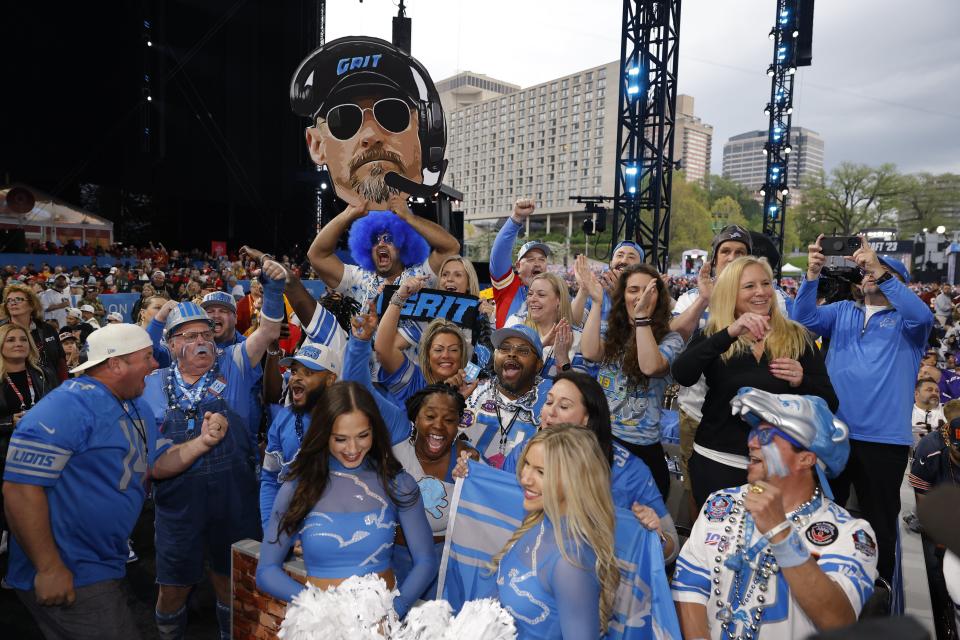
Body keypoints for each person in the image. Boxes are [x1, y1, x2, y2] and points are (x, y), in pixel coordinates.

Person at [2, 324, 225, 640]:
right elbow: (20, 488)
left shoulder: (135, 404)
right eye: (146, 357)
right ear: (116, 363)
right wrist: (49, 567)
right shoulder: (67, 405)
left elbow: (157, 462)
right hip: (72, 564)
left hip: (102, 560)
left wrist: (203, 441)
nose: (155, 364)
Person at [142, 261, 285, 640]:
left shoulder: (234, 364)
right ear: (170, 346)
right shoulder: (151, 383)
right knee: (173, 589)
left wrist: (271, 290)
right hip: (176, 506)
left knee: (229, 581)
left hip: (232, 499)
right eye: (188, 335)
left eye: (205, 333)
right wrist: (158, 316)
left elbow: (270, 329)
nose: (201, 340)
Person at [672, 388, 878, 639]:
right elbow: (689, 588)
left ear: (806, 459)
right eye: (755, 431)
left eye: (768, 434)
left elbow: (838, 622)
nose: (752, 441)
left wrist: (780, 532)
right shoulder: (721, 503)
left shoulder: (851, 534)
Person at [793, 235, 933, 585]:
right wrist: (811, 275)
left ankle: (880, 590)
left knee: (879, 523)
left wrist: (878, 268)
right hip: (833, 435)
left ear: (895, 281)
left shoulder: (910, 324)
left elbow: (921, 312)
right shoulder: (843, 311)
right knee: (823, 514)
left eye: (882, 271)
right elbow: (802, 319)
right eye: (867, 269)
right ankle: (822, 583)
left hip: (884, 440)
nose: (870, 274)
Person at [299, 37, 460, 309]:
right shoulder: (358, 279)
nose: (372, 135)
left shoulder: (419, 277)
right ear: (317, 144)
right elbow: (317, 255)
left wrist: (409, 218)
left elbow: (450, 248)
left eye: (393, 115)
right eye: (345, 120)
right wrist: (348, 214)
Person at [255, 382, 437, 618]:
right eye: (340, 439)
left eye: (363, 435)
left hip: (381, 627)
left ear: (375, 430)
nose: (353, 448)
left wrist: (394, 611)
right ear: (323, 434)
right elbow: (267, 571)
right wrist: (319, 608)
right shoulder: (298, 487)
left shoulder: (398, 483)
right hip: (317, 628)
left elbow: (426, 560)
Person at [456, 370, 679, 561]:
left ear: (587, 419)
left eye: (564, 406)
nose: (550, 412)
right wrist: (472, 477)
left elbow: (671, 549)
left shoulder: (631, 472)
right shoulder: (525, 451)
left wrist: (655, 536)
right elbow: (498, 504)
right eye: (549, 401)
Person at [673, 256, 838, 509]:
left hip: (779, 469)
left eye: (766, 283)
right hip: (717, 461)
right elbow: (682, 373)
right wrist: (729, 333)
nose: (761, 292)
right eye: (749, 286)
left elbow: (830, 403)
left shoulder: (797, 337)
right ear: (731, 292)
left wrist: (802, 381)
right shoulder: (715, 334)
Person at [489, 425, 620, 639]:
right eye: (527, 464)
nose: (525, 479)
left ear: (574, 480)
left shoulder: (570, 562)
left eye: (541, 472)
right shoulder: (537, 522)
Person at [580, 261, 685, 500]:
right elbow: (589, 352)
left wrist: (641, 319)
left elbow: (650, 366)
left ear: (659, 296)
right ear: (622, 295)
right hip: (604, 442)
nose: (640, 296)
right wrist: (597, 303)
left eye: (648, 290)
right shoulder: (613, 331)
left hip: (643, 452)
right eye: (633, 290)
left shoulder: (672, 339)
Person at [391, 383, 478, 599]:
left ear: (459, 423)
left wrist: (471, 479)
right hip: (388, 561)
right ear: (415, 418)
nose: (439, 426)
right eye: (430, 416)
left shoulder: (468, 461)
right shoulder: (393, 452)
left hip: (440, 572)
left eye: (449, 420)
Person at [260, 343, 340, 529]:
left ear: (330, 379)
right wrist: (270, 528)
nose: (296, 378)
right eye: (295, 372)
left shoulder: (347, 422)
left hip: (333, 531)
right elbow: (271, 478)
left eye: (308, 373)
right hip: (289, 529)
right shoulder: (283, 419)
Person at [459, 325, 552, 468]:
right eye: (504, 348)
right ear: (495, 356)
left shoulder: (551, 400)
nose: (512, 354)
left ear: (539, 364)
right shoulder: (471, 393)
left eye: (523, 351)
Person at [375, 276, 472, 405]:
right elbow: (383, 349)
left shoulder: (475, 390)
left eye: (453, 349)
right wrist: (400, 297)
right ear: (427, 354)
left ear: (462, 355)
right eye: (438, 349)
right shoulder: (413, 380)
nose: (445, 355)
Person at [506, 271, 581, 379]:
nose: (532, 299)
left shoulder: (577, 338)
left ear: (558, 300)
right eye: (530, 294)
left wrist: (563, 360)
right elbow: (502, 369)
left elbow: (577, 390)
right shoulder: (516, 323)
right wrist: (539, 346)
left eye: (541, 295)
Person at [489, 198, 550, 328]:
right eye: (530, 259)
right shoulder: (508, 286)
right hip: (505, 348)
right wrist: (516, 217)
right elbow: (499, 252)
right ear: (518, 266)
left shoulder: (555, 293)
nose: (537, 263)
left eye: (542, 259)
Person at [570, 241, 645, 336]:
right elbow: (573, 322)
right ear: (611, 263)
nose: (624, 261)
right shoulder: (597, 290)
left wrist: (620, 296)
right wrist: (583, 290)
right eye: (620, 255)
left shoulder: (646, 295)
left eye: (631, 257)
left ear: (641, 267)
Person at [0, 282, 66, 386]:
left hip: (51, 388)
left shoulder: (48, 329)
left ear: (32, 305)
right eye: (9, 300)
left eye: (18, 299)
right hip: (15, 391)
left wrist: (63, 387)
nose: (13, 303)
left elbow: (60, 361)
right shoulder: (1, 331)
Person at [913, 377, 945, 445]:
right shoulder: (906, 412)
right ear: (916, 394)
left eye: (937, 391)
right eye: (929, 390)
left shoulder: (948, 409)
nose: (934, 393)